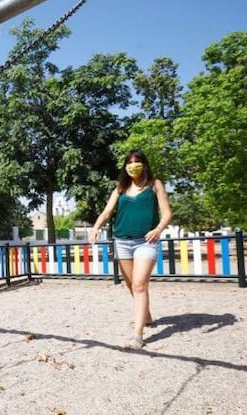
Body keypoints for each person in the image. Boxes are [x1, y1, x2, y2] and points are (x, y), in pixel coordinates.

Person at [89, 149, 172, 350]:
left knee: (139, 284)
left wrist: (158, 229)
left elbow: (167, 213)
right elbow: (108, 211)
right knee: (131, 285)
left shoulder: (155, 184)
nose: (133, 165)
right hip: (122, 241)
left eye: (137, 162)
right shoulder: (120, 188)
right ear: (125, 166)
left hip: (146, 241)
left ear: (144, 164)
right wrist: (95, 227)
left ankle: (138, 336)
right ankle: (147, 315)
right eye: (129, 162)